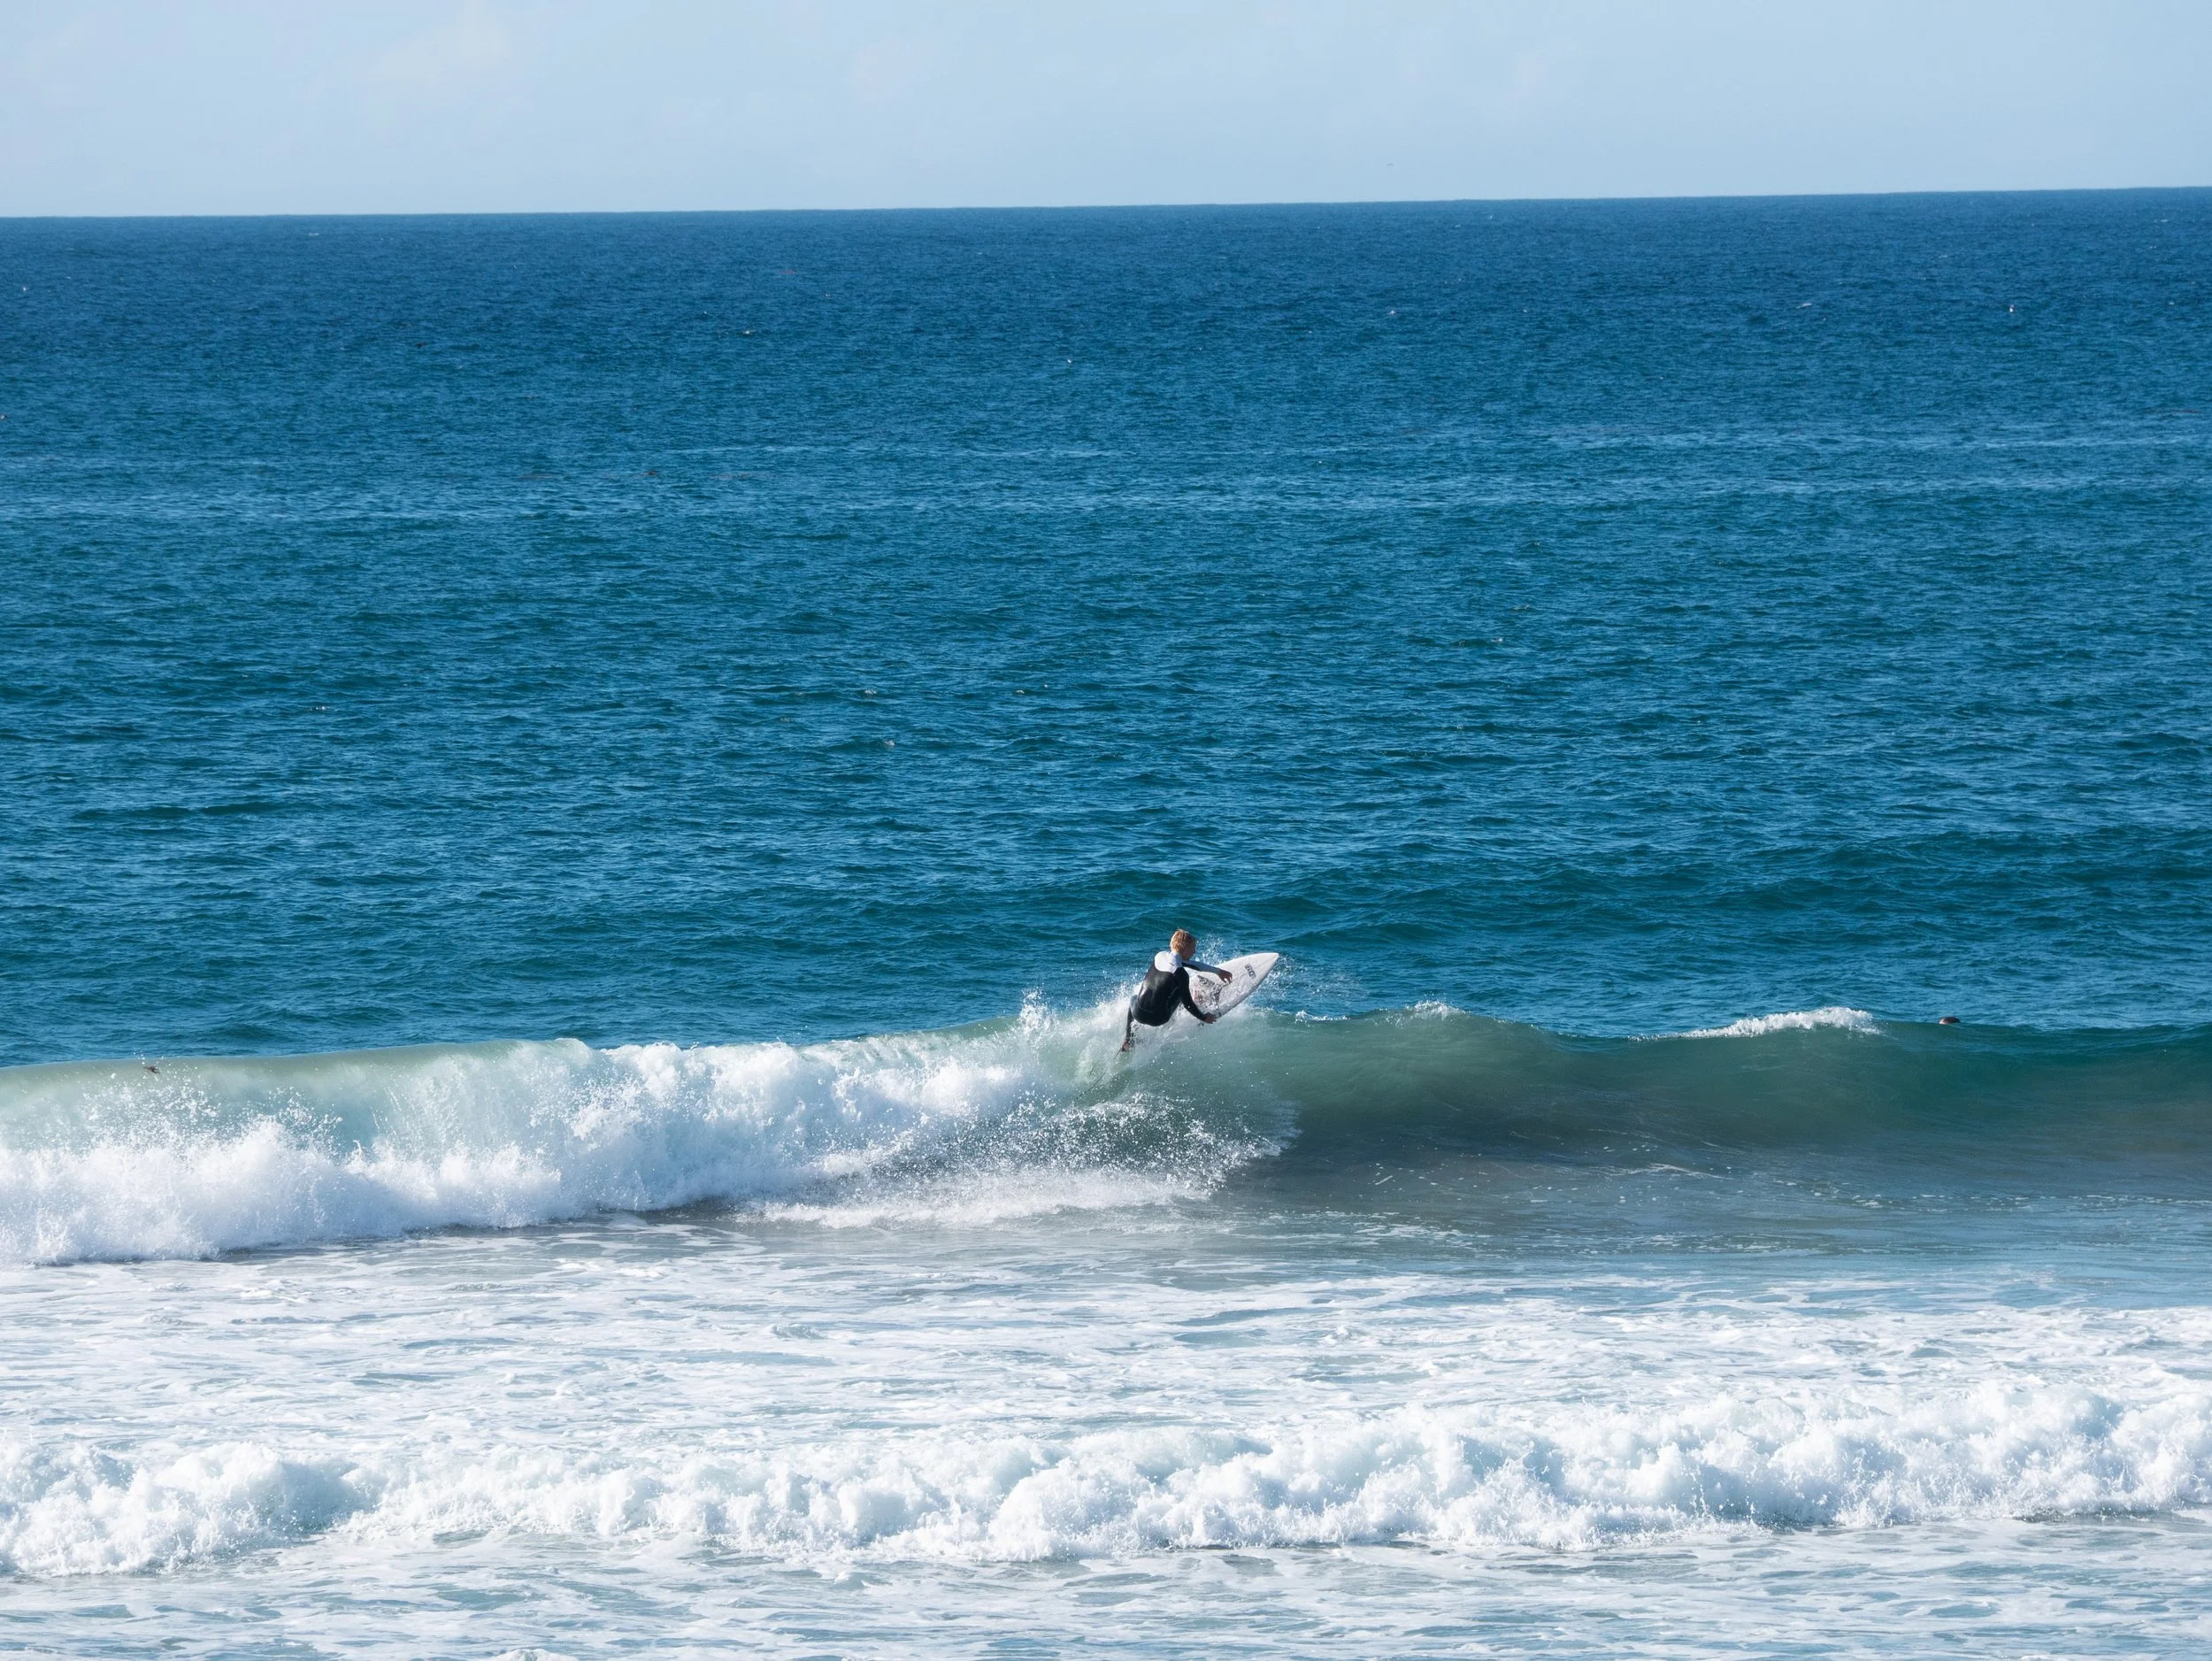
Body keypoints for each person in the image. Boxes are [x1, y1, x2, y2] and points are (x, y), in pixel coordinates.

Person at [1121, 930, 1233, 1051]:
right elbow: (1188, 1004)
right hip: (1159, 1018)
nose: (1194, 951)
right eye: (1193, 947)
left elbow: (1190, 964)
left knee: (1134, 998)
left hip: (1138, 1013)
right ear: (1184, 947)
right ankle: (1195, 1005)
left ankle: (1128, 1039)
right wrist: (1203, 1017)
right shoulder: (1181, 974)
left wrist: (1218, 971)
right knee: (1181, 993)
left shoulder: (1160, 956)